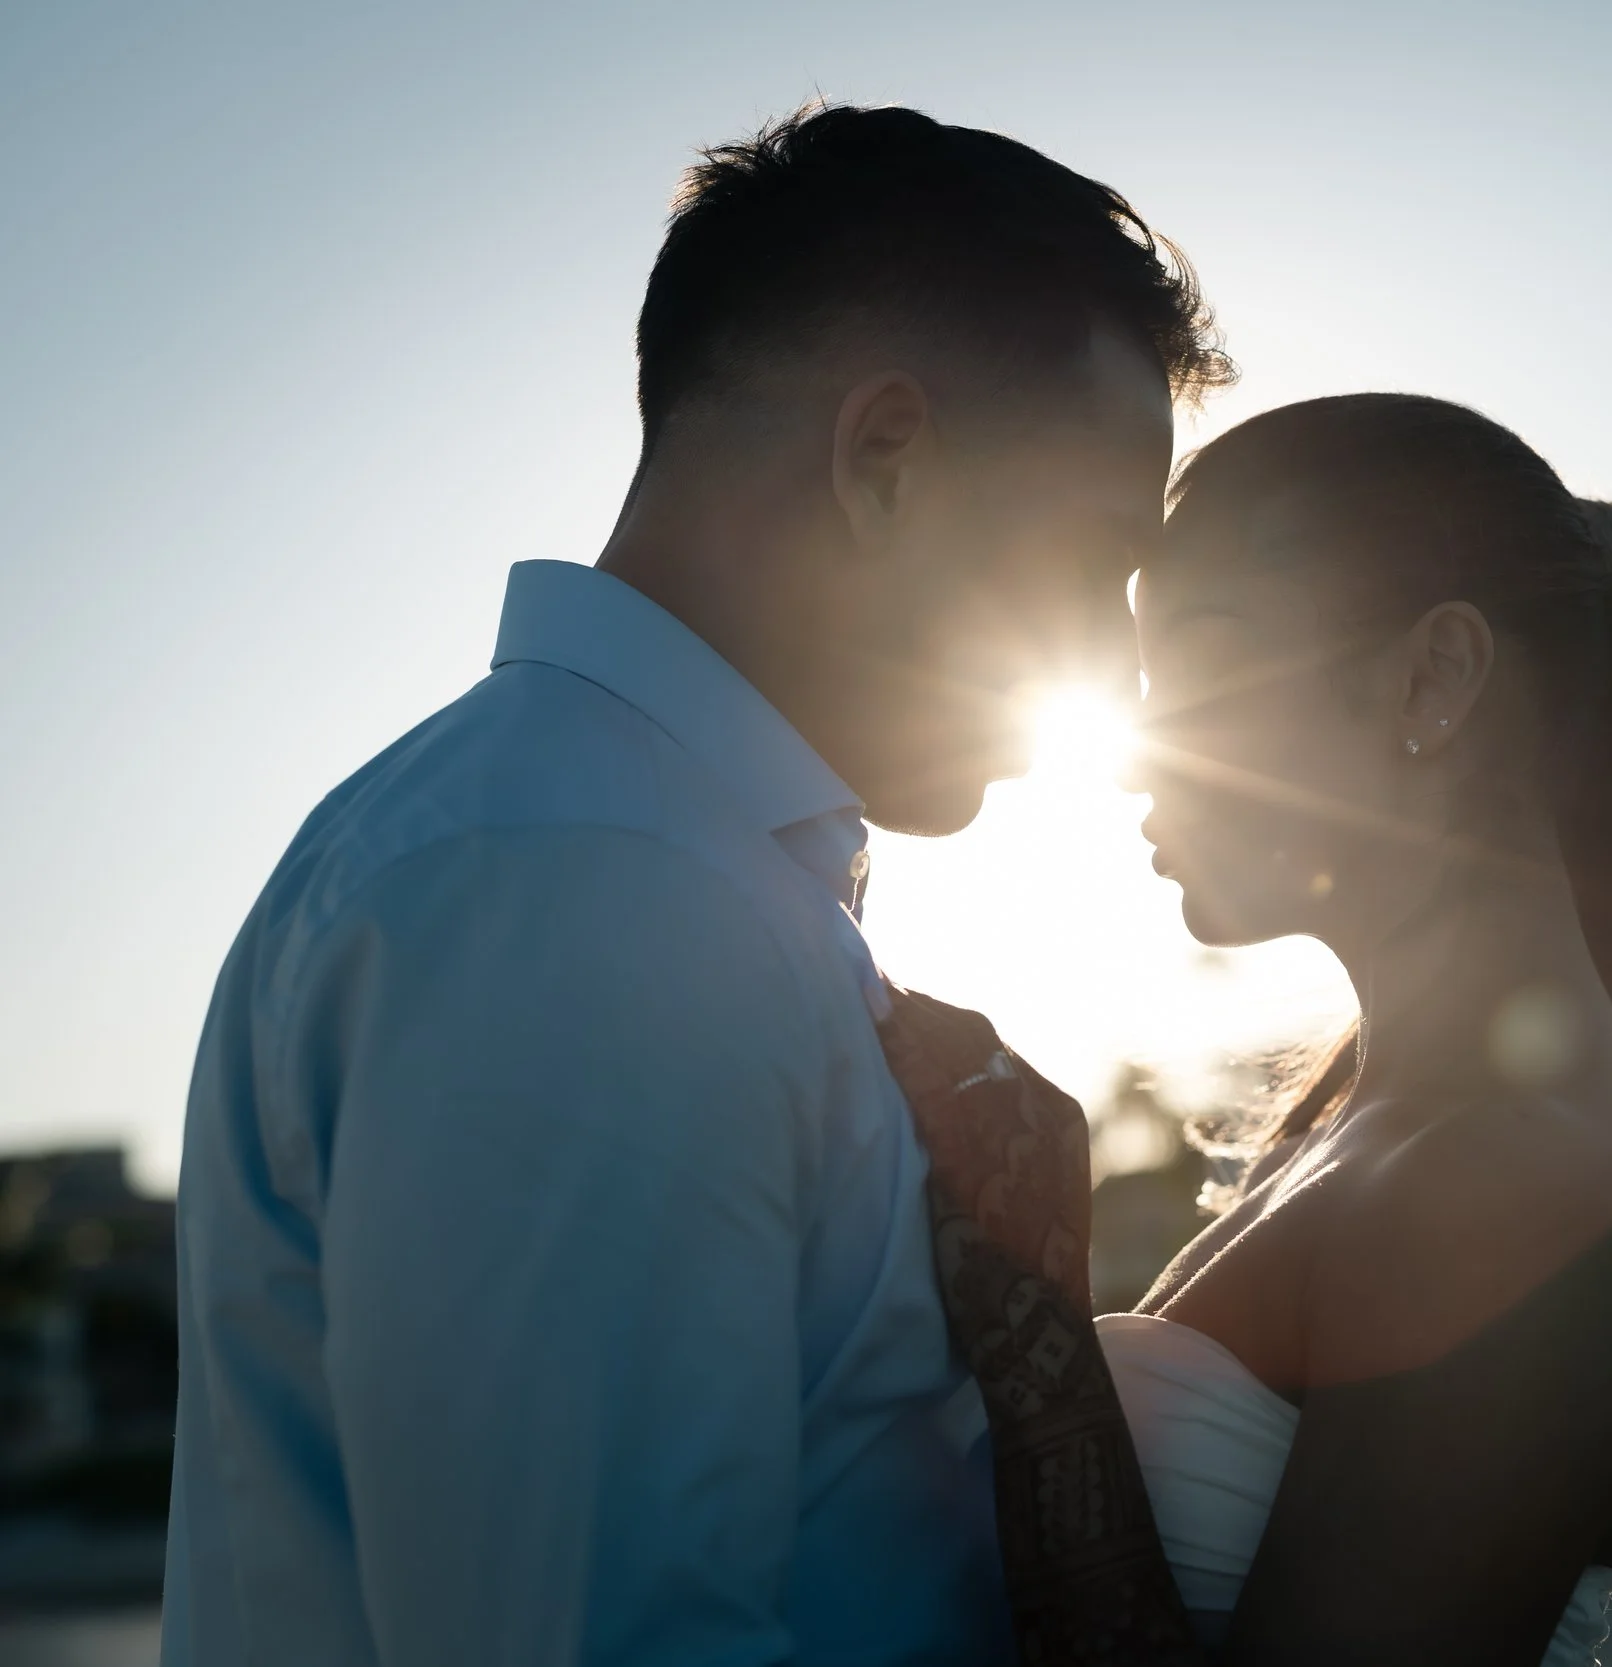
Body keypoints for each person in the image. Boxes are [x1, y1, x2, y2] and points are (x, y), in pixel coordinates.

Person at [162, 102, 1230, 1666]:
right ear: (886, 461)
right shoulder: (593, 892)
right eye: (1094, 562)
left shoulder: (629, 859)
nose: (1120, 663)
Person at [882, 393, 1612, 1666]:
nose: (1132, 752)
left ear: (1432, 677)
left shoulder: (1519, 1175)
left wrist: (1032, 1331)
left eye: (1201, 662)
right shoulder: (1391, 1131)